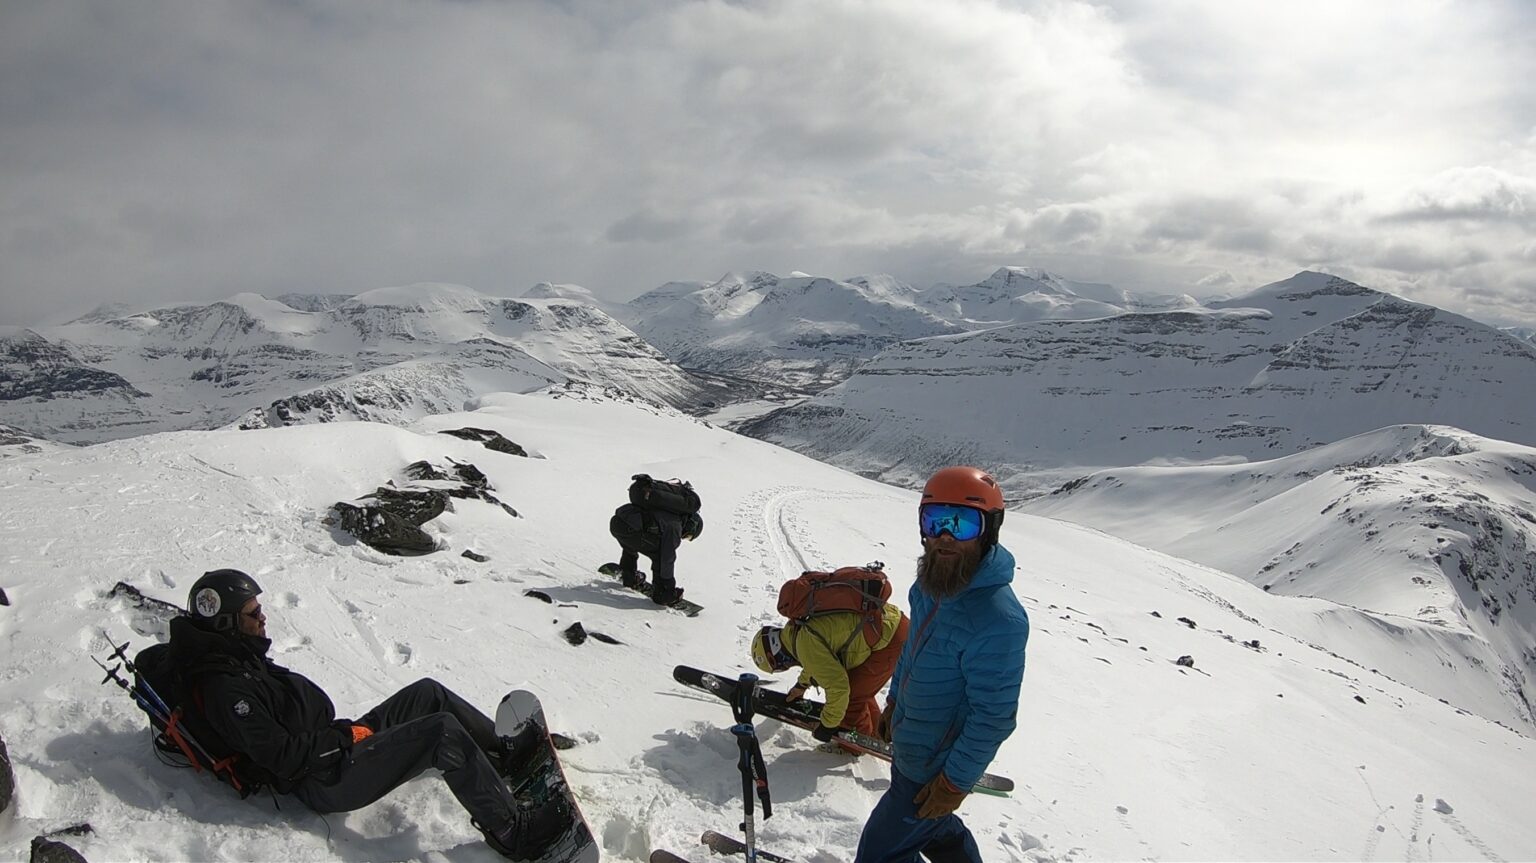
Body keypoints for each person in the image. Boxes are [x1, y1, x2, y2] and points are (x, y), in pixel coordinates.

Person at [167, 568, 567, 860]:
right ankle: (513, 831)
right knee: (440, 733)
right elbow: (281, 757)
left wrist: (346, 735)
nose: (263, 618)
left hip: (333, 745)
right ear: (226, 622)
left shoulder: (236, 656)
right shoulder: (226, 688)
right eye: (253, 613)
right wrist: (345, 739)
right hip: (323, 778)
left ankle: (503, 757)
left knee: (428, 693)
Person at [854, 466, 1030, 863]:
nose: (945, 536)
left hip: (935, 765)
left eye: (962, 524)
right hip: (911, 744)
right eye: (935, 522)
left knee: (879, 854)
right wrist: (895, 700)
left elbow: (994, 716)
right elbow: (913, 651)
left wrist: (953, 783)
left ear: (989, 531)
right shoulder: (932, 586)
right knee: (934, 828)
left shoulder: (998, 618)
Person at [749, 599, 910, 748]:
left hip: (889, 639)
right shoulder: (796, 630)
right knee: (859, 687)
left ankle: (855, 745)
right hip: (888, 621)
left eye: (778, 667)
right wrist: (801, 685)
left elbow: (839, 688)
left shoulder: (803, 645)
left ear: (775, 655)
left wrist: (827, 726)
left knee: (851, 696)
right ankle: (875, 734)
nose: (785, 667)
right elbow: (819, 660)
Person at [605, 496, 702, 607]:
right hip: (630, 529)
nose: (683, 537)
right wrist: (669, 586)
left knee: (631, 544)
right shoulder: (675, 526)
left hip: (617, 523)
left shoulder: (667, 511)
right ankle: (662, 594)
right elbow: (667, 559)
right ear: (690, 526)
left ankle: (629, 576)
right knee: (660, 555)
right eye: (688, 536)